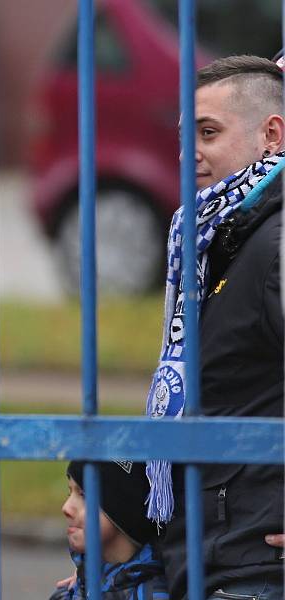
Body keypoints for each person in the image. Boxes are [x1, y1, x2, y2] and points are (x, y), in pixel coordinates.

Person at [145, 55, 285, 600]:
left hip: (256, 569)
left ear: (272, 134)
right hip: (211, 553)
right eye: (186, 138)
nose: (190, 157)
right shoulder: (210, 241)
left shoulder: (274, 245)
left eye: (209, 133)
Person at [49, 461, 168, 600]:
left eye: (84, 495)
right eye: (69, 493)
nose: (66, 508)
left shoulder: (151, 595)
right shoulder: (72, 590)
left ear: (123, 508)